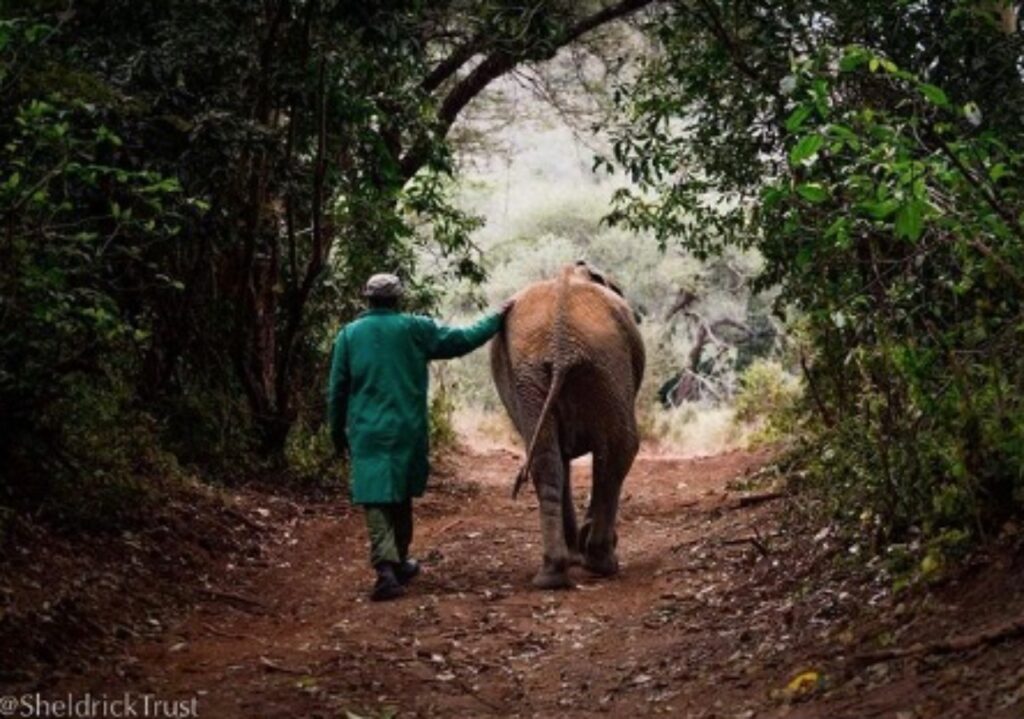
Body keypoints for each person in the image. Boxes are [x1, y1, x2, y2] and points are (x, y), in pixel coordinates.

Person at [327, 273, 512, 601]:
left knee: (376, 497)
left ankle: (391, 566)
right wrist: (497, 318)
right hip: (406, 428)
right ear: (398, 299)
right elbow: (462, 340)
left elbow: (337, 391)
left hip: (366, 430)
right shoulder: (415, 328)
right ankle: (391, 564)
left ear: (366, 299)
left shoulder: (348, 335)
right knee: (399, 494)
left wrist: (336, 432)